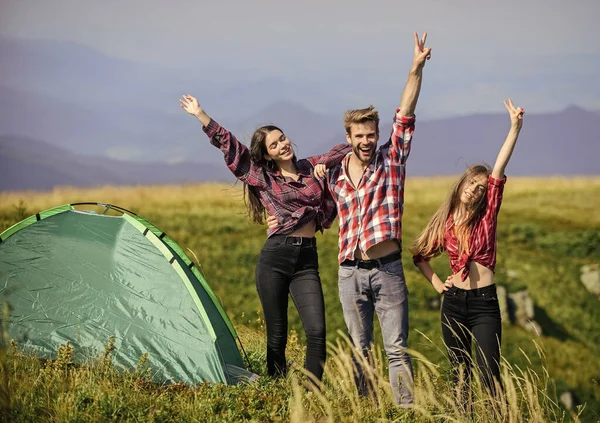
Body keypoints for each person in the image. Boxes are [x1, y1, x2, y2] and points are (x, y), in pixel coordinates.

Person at [179, 95, 350, 384]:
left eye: (282, 138)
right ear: (268, 155)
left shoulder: (310, 167)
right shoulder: (263, 177)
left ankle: (312, 394)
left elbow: (346, 149)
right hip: (276, 257)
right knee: (277, 333)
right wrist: (201, 115)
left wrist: (325, 166)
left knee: (317, 330)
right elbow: (231, 148)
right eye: (274, 144)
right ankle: (276, 388)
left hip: (307, 258)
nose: (282, 144)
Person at [321, 32, 431, 406]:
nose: (366, 141)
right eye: (360, 136)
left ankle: (404, 410)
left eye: (371, 135)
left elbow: (407, 113)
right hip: (349, 273)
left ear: (379, 135)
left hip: (387, 270)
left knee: (397, 350)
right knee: (359, 349)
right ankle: (366, 411)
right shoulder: (334, 174)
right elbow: (308, 202)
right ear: (348, 137)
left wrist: (415, 67)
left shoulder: (391, 160)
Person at [411, 99, 525, 399]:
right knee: (459, 376)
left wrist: (514, 128)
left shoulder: (487, 216)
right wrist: (439, 285)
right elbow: (420, 256)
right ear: (462, 185)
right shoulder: (445, 224)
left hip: (484, 303)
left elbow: (498, 170)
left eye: (481, 188)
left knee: (490, 376)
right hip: (454, 303)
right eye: (472, 184)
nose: (476, 190)